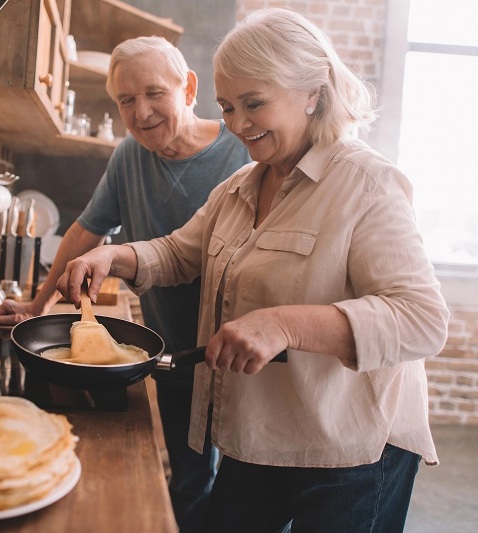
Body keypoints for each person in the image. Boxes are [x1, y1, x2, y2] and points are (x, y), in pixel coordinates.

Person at [56, 9, 450, 533]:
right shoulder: (240, 185)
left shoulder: (366, 183)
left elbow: (422, 319)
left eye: (254, 103)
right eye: (227, 106)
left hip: (351, 451)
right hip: (259, 434)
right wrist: (115, 257)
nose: (237, 123)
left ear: (311, 92)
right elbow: (178, 253)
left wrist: (284, 324)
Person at [0, 36, 251, 531]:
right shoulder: (129, 156)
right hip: (173, 351)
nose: (142, 111)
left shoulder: (242, 152)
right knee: (188, 481)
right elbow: (86, 231)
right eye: (126, 100)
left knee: (245, 495)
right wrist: (36, 304)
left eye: (154, 93)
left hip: (240, 357)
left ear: (189, 87)